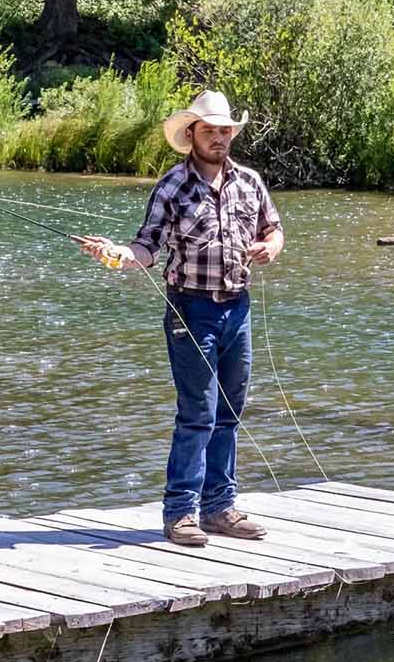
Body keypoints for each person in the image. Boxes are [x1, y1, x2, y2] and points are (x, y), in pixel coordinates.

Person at [78, 90, 284, 547]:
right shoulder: (172, 185)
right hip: (191, 309)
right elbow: (146, 246)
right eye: (208, 130)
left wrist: (271, 247)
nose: (218, 137)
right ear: (191, 134)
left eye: (224, 130)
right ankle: (180, 513)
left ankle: (219, 508)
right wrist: (116, 255)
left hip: (238, 308)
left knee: (229, 413)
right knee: (198, 413)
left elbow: (273, 229)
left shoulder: (250, 181)